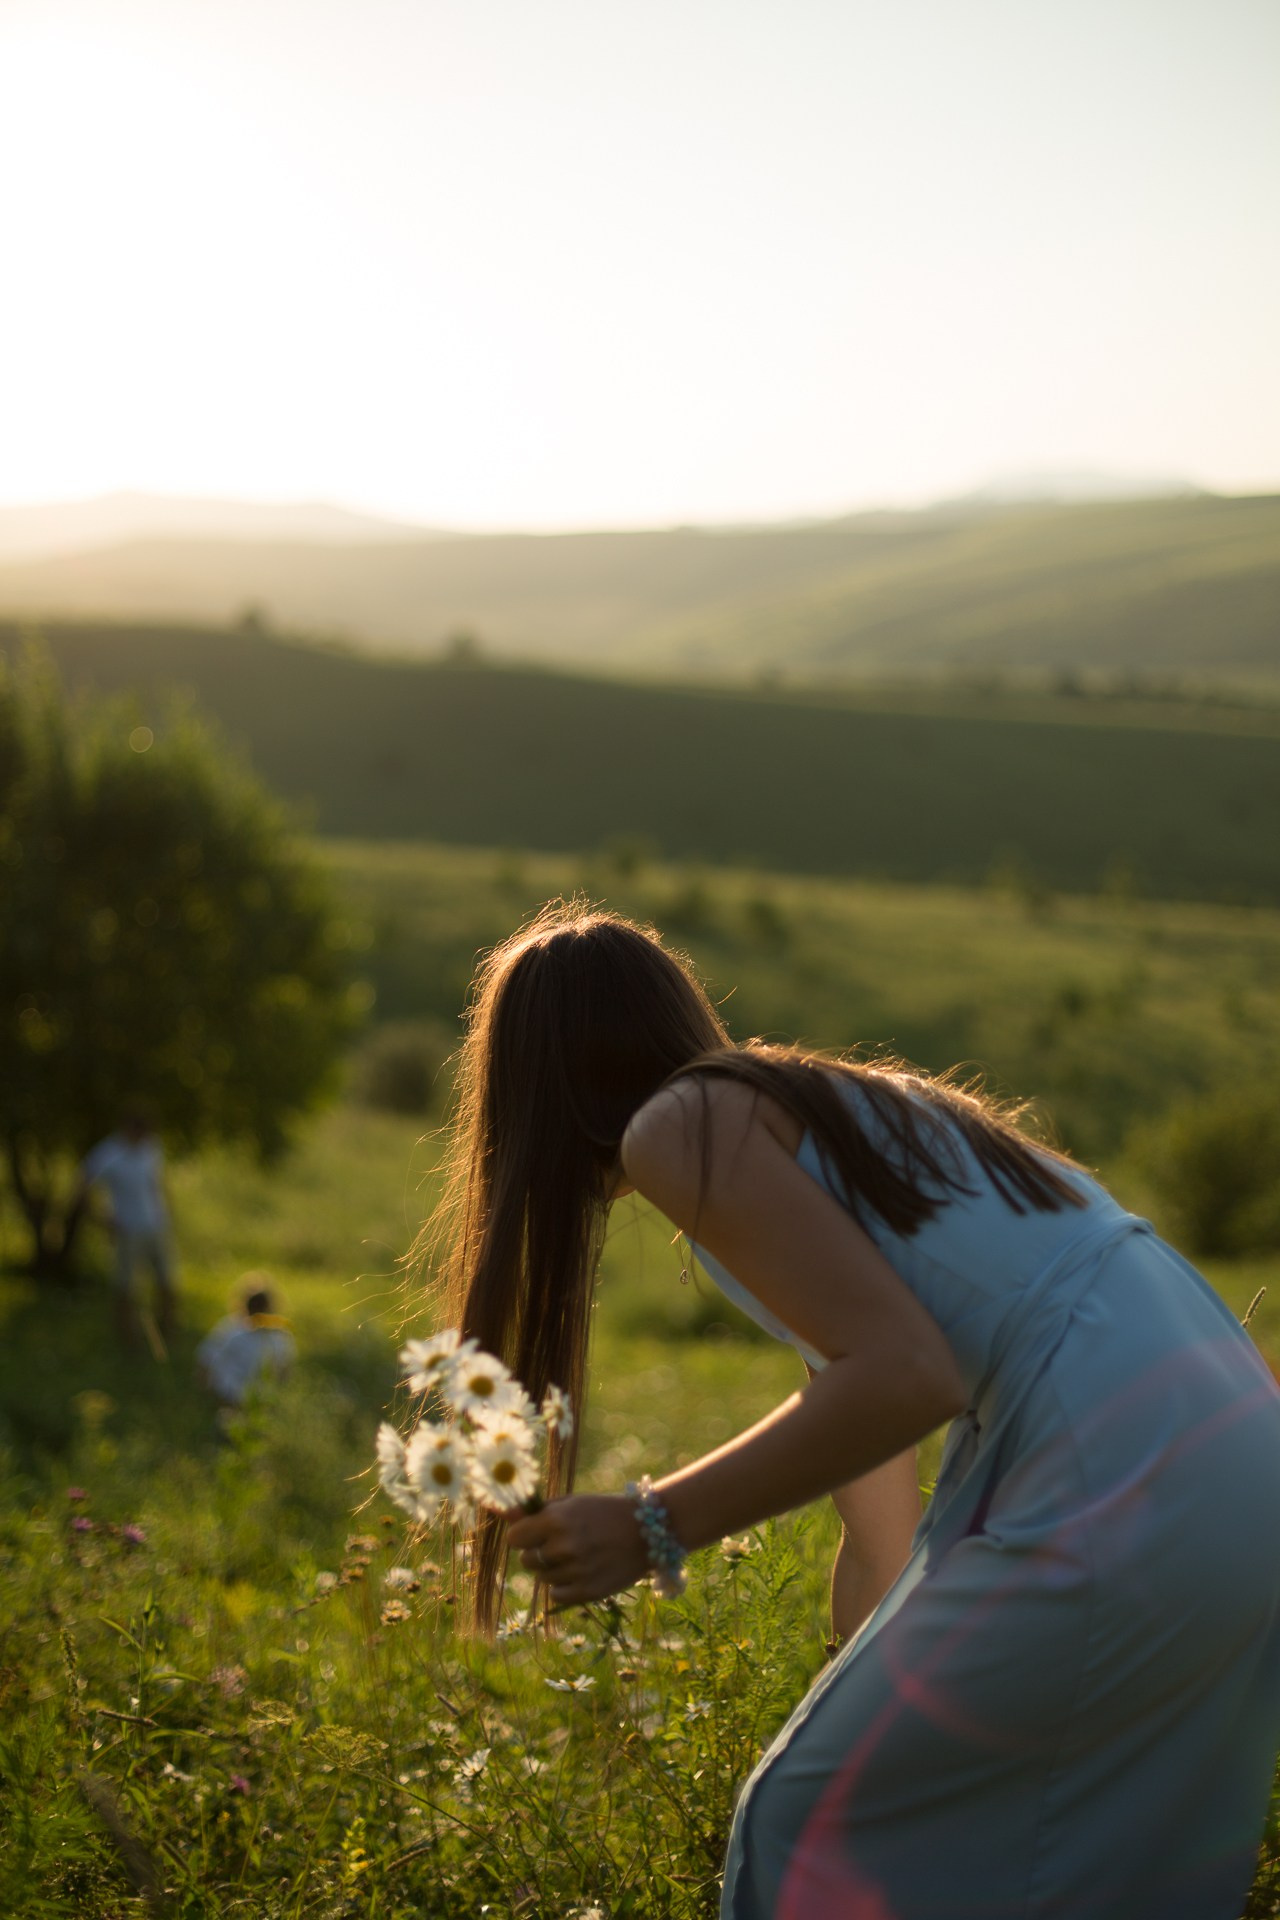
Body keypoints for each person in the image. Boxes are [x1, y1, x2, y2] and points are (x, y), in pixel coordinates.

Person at [419, 900, 1280, 1920]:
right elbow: (879, 1534)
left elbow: (906, 1376)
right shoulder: (810, 1121)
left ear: (533, 1085)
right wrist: (854, 1687)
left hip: (1117, 1449)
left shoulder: (683, 1126)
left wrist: (653, 1524)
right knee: (1081, 1866)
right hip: (1225, 1435)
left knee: (802, 1828)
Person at [73, 1107, 176, 1348]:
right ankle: (129, 1342)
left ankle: (168, 1335)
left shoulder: (151, 1147)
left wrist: (167, 1214)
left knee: (167, 1283)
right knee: (126, 1290)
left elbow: (157, 1183)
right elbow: (82, 1186)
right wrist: (102, 1221)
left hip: (156, 1227)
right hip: (128, 1231)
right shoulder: (109, 1153)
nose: (142, 1138)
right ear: (127, 1129)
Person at [197, 1276, 295, 1410]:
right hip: (229, 1389)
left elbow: (284, 1371)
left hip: (262, 1394)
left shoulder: (280, 1337)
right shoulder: (231, 1328)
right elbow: (207, 1358)